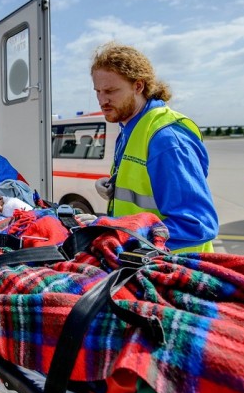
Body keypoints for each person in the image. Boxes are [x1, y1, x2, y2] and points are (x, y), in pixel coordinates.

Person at [90, 42, 218, 253]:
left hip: (178, 270)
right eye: (98, 91)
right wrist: (114, 186)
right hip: (147, 264)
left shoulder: (166, 140)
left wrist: (118, 234)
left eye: (111, 91)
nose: (102, 100)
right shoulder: (130, 129)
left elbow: (197, 224)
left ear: (138, 86)